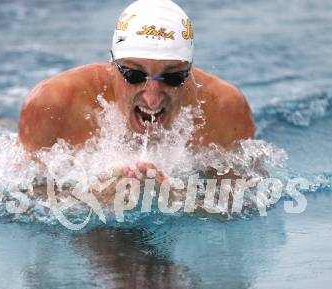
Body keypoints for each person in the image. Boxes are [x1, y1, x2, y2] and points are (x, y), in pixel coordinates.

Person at [18, 0, 255, 179]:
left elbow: (249, 201)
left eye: (172, 77)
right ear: (113, 65)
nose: (152, 98)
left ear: (189, 70)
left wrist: (177, 203)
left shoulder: (223, 107)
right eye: (134, 75)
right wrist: (97, 202)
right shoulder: (53, 104)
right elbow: (18, 198)